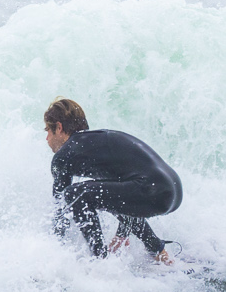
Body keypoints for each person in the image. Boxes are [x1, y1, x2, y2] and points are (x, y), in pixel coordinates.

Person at [43, 96, 182, 261]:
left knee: (74, 194)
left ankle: (100, 262)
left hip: (154, 191)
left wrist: (51, 251)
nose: (47, 139)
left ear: (59, 128)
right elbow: (123, 194)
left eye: (47, 131)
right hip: (172, 191)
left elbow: (61, 208)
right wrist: (122, 233)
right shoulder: (97, 142)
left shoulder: (65, 155)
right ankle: (159, 253)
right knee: (100, 193)